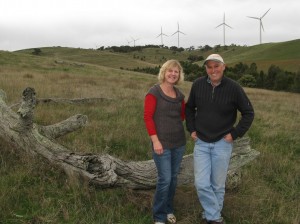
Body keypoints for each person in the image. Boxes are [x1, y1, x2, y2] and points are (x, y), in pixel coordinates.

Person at [185, 54, 254, 224]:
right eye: (209, 67)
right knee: (201, 183)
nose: (213, 70)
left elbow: (248, 113)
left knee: (217, 185)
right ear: (206, 69)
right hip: (201, 142)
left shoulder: (234, 87)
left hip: (222, 144)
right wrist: (191, 128)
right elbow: (189, 108)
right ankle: (215, 217)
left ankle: (210, 216)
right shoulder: (198, 84)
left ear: (224, 67)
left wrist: (234, 134)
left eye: (216, 66)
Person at [144, 59, 186, 224]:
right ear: (164, 72)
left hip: (179, 143)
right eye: (170, 70)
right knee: (165, 179)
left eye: (176, 71)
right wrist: (156, 141)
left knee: (173, 178)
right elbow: (147, 117)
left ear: (179, 75)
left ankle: (169, 209)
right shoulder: (154, 92)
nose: (173, 74)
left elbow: (181, 116)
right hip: (161, 144)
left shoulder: (180, 95)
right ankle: (159, 216)